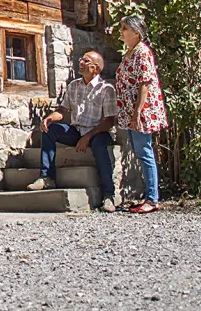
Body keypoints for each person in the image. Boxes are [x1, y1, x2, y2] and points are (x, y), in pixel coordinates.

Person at [27, 50, 118, 212]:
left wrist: (88, 137)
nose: (81, 62)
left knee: (99, 146)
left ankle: (108, 196)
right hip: (77, 131)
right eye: (81, 59)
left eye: (86, 61)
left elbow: (109, 121)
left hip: (98, 133)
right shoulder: (74, 86)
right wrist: (50, 118)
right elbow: (63, 110)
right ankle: (47, 177)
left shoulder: (106, 89)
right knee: (50, 130)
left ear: (95, 69)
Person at [115, 14, 168, 214]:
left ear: (137, 32)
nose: (121, 32)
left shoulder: (142, 53)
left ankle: (153, 199)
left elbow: (144, 83)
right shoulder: (130, 52)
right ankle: (148, 196)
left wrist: (137, 112)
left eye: (125, 28)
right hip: (131, 110)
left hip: (141, 111)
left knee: (144, 152)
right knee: (140, 152)